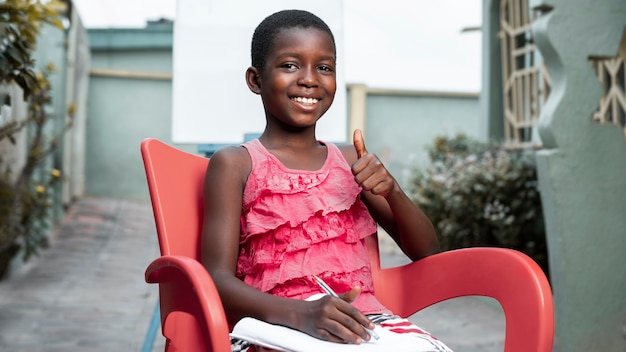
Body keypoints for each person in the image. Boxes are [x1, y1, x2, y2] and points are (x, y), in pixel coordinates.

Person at [201, 9, 453, 352]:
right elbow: (215, 279)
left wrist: (391, 190)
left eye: (324, 67)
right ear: (255, 80)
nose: (309, 79)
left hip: (363, 325)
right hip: (275, 325)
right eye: (290, 65)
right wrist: (301, 314)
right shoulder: (235, 163)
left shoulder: (351, 161)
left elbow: (426, 250)